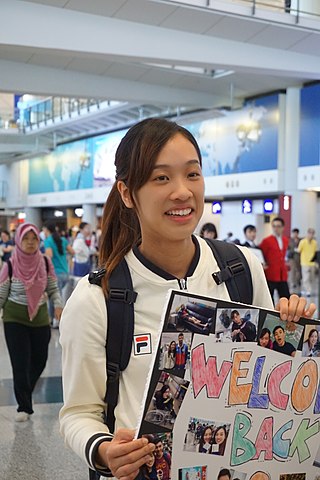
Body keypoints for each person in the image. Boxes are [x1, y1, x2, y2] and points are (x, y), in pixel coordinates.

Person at [59, 118, 315, 479]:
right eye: (161, 178)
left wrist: (293, 334)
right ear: (127, 192)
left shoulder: (242, 268)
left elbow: (268, 382)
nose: (182, 191)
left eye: (192, 174)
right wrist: (104, 451)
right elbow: (77, 412)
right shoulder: (97, 298)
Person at [0, 223, 63, 422]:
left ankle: (26, 388)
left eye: (33, 238)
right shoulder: (10, 264)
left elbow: (53, 287)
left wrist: (58, 305)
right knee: (20, 363)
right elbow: (1, 294)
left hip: (40, 318)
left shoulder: (44, 262)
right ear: (18, 240)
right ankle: (24, 406)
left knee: (40, 360)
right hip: (14, 319)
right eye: (26, 238)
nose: (29, 242)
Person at [43, 222, 74, 326]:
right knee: (58, 297)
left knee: (55, 298)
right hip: (65, 272)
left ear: (47, 230)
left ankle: (55, 321)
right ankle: (57, 320)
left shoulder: (48, 241)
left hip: (55, 273)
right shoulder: (63, 240)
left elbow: (49, 255)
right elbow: (72, 251)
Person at [259, 217, 290, 302]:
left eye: (279, 226)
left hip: (282, 274)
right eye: (274, 226)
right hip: (270, 274)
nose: (276, 229)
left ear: (283, 227)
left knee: (286, 297)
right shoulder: (266, 241)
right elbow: (261, 255)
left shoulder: (285, 240)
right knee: (269, 299)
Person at [298, 228, 318, 297]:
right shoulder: (302, 242)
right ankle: (308, 291)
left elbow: (315, 252)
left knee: (312, 278)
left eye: (312, 234)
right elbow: (299, 251)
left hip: (312, 263)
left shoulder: (314, 243)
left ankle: (305, 289)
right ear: (307, 233)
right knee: (306, 277)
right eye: (310, 233)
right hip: (304, 262)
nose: (311, 235)